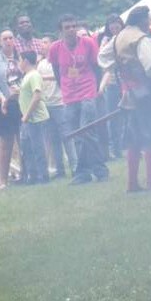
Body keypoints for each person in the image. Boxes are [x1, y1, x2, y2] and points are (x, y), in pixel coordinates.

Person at [99, 6, 151, 193]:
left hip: (130, 94)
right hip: (148, 94)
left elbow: (103, 58)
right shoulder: (142, 39)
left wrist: (123, 66)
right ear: (143, 21)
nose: (150, 23)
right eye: (148, 20)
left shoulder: (118, 38)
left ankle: (132, 183)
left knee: (134, 139)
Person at [48, 15, 108, 185]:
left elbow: (97, 67)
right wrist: (64, 87)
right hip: (69, 94)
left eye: (73, 26)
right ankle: (88, 171)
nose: (71, 29)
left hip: (87, 91)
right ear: (60, 31)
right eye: (67, 27)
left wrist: (95, 88)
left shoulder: (88, 43)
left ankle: (95, 169)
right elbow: (56, 70)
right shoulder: (55, 48)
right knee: (77, 134)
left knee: (87, 129)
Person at [0, 29, 24, 187]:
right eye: (5, 38)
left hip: (21, 103)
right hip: (2, 105)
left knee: (23, 140)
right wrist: (2, 98)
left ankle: (26, 173)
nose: (8, 41)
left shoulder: (20, 57)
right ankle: (3, 180)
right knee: (6, 142)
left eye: (11, 38)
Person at [38, 35, 70, 178]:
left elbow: (65, 75)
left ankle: (75, 165)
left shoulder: (58, 60)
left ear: (52, 44)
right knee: (53, 139)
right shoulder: (41, 64)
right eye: (41, 43)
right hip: (47, 105)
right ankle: (59, 169)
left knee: (67, 136)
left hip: (60, 103)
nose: (42, 45)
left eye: (45, 42)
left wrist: (44, 78)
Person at [18, 49, 50, 183]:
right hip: (27, 119)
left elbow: (36, 96)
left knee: (38, 147)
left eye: (20, 60)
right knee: (27, 147)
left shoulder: (34, 75)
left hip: (35, 118)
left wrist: (27, 114)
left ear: (25, 61)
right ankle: (33, 175)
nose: (18, 63)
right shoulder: (26, 76)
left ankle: (43, 176)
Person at [95, 14, 125, 160]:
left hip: (126, 81)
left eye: (116, 22)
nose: (114, 26)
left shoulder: (126, 36)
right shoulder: (105, 41)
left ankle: (129, 146)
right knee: (112, 117)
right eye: (111, 23)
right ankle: (115, 149)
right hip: (111, 82)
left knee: (128, 115)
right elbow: (103, 61)